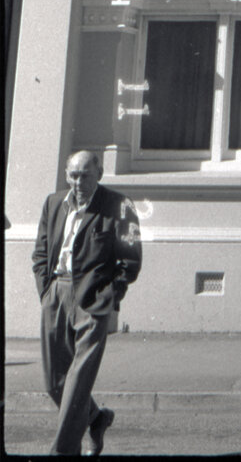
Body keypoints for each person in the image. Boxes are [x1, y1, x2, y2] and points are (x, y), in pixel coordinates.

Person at [32, 151, 142, 457]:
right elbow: (41, 252)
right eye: (74, 175)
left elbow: (130, 259)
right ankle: (96, 419)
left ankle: (63, 452)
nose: (79, 182)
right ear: (66, 175)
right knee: (55, 382)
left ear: (100, 174)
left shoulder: (120, 206)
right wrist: (46, 290)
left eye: (86, 175)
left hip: (93, 299)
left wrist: (111, 294)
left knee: (78, 382)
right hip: (56, 293)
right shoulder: (54, 203)